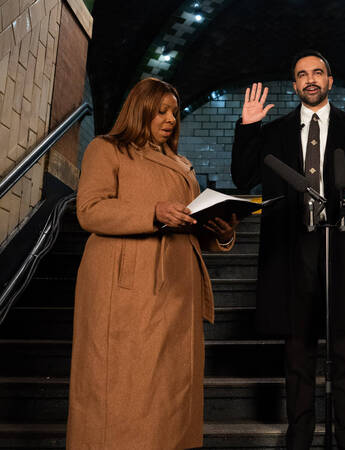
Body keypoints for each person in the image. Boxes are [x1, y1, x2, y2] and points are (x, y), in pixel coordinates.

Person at [67, 77, 238, 449]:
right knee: (124, 389)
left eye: (174, 113)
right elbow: (90, 210)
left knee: (170, 394)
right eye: (161, 111)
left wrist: (221, 232)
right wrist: (154, 212)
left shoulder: (182, 164)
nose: (170, 119)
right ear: (140, 109)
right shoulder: (106, 149)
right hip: (126, 289)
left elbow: (192, 226)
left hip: (177, 290)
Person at [231, 50, 345, 450]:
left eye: (318, 72)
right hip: (291, 255)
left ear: (330, 81)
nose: (311, 79)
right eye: (302, 75)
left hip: (342, 252)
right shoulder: (274, 132)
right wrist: (249, 127)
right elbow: (242, 176)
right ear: (295, 84)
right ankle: (298, 439)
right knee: (297, 358)